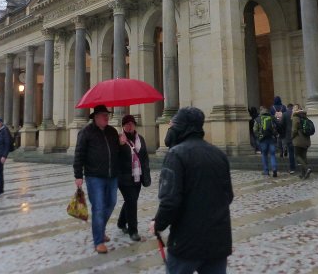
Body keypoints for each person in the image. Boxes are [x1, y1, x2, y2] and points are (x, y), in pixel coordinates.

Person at [150, 107, 233, 273]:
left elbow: (170, 201)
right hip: (217, 240)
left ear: (181, 127)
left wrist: (158, 223)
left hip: (186, 242)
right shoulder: (219, 154)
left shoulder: (176, 155)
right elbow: (228, 196)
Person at [73, 104, 124, 254]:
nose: (106, 117)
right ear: (95, 117)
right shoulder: (86, 132)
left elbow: (117, 153)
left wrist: (121, 144)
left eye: (107, 115)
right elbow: (79, 154)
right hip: (94, 176)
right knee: (99, 207)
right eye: (104, 115)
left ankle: (100, 229)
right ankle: (98, 241)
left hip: (112, 175)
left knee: (111, 203)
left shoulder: (112, 131)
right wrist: (78, 175)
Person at [116, 114, 151, 242]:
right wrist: (119, 145)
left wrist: (146, 173)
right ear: (123, 126)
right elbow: (113, 157)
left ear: (135, 125)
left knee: (130, 200)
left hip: (138, 176)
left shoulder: (140, 138)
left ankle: (121, 222)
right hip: (124, 177)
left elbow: (144, 157)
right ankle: (133, 231)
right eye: (127, 124)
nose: (129, 126)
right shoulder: (119, 139)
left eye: (131, 124)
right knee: (132, 202)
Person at [254, 106, 279, 177]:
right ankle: (274, 168)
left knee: (264, 155)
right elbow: (277, 126)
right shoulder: (272, 118)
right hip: (271, 138)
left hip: (263, 140)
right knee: (272, 155)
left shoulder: (258, 119)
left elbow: (255, 130)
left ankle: (266, 171)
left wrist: (259, 136)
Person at [292, 107, 312, 179]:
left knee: (297, 156)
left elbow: (294, 130)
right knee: (303, 157)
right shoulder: (306, 119)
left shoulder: (295, 118)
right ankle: (304, 174)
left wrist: (292, 137)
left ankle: (307, 169)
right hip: (306, 140)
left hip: (298, 140)